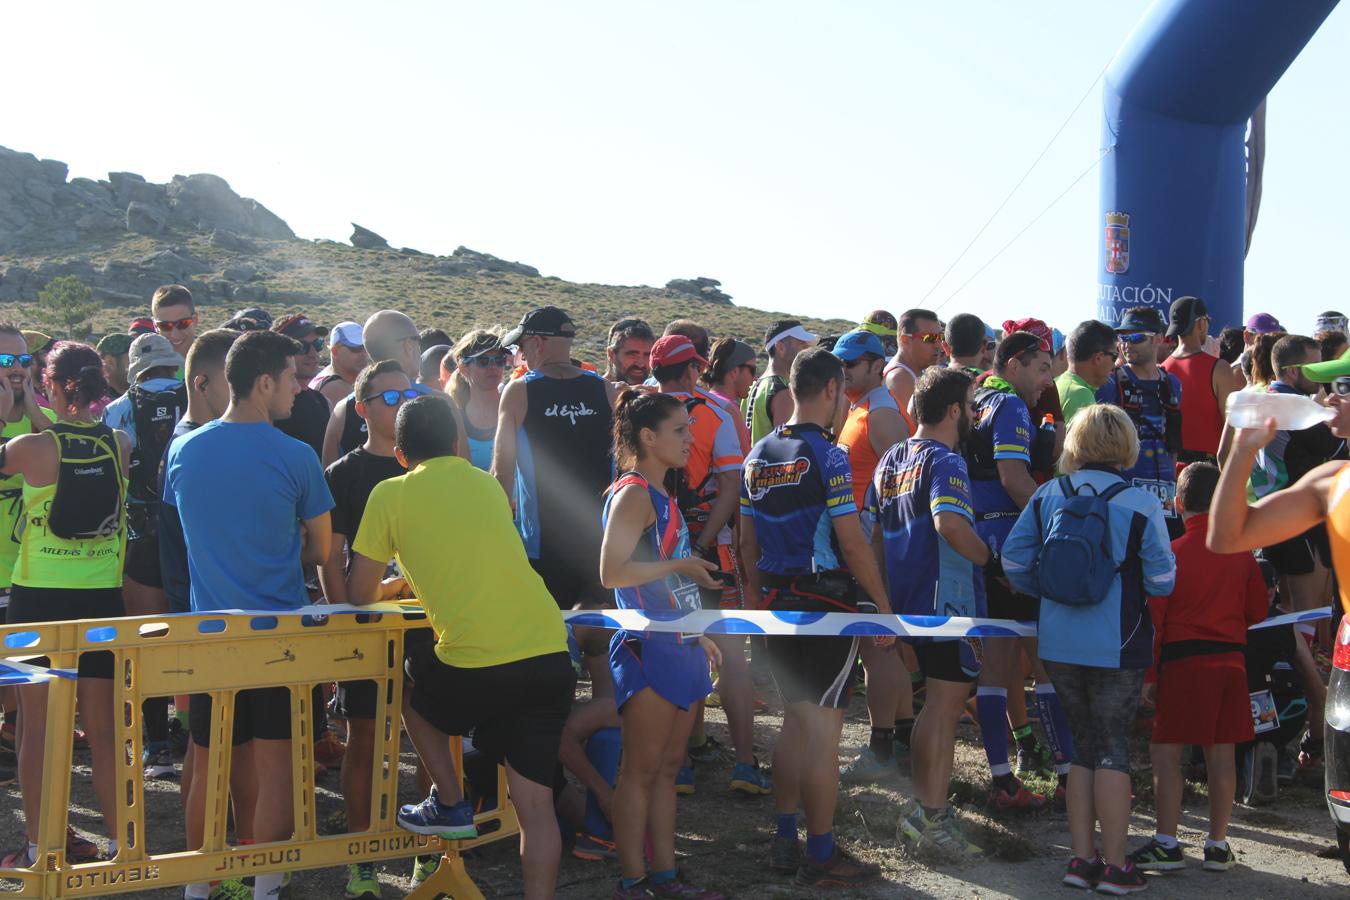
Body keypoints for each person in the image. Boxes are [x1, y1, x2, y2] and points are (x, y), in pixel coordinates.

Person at [345, 395, 572, 900]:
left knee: (409, 690)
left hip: (480, 663)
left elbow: (358, 594)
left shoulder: (390, 492)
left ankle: (450, 800)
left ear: (401, 455)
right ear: (456, 444)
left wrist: (396, 587)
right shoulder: (488, 486)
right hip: (549, 652)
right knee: (536, 812)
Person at [163, 330, 333, 900]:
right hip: (279, 636)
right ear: (264, 382)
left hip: (211, 635)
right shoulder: (297, 454)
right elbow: (321, 549)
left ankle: (197, 888)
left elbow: (185, 528)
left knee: (208, 766)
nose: (298, 387)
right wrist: (282, 549)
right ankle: (264, 888)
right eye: (291, 377)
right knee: (276, 767)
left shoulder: (183, 448)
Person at [1002, 403, 1176, 895]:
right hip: (1117, 641)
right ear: (1124, 444)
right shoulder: (1139, 503)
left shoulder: (1048, 494)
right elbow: (1162, 583)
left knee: (1080, 748)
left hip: (1058, 639)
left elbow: (1014, 561)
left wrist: (1051, 589)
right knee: (1114, 750)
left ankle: (1081, 861)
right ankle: (1118, 867)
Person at [739, 347, 893, 887]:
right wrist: (884, 607)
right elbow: (850, 541)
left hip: (777, 606)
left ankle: (786, 838)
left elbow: (747, 541)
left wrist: (757, 602)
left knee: (795, 721)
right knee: (824, 733)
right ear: (831, 390)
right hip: (826, 605)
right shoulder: (827, 455)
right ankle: (822, 853)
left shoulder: (756, 453)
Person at [0, 342, 131, 869]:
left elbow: (40, 440)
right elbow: (70, 432)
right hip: (101, 598)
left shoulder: (31, 449)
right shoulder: (118, 442)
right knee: (102, 729)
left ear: (52, 386)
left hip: (39, 599)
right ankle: (124, 844)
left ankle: (40, 846)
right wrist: (42, 400)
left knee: (38, 729)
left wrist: (19, 400)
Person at [600, 389, 726, 899]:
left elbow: (666, 582)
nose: (690, 439)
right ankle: (633, 880)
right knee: (641, 770)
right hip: (645, 645)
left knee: (669, 770)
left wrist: (698, 632)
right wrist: (679, 564)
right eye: (680, 430)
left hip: (679, 641)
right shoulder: (633, 493)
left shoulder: (663, 494)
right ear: (648, 438)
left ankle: (667, 877)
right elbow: (611, 571)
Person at [1130, 462, 1265, 875]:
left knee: (1166, 752)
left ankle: (1167, 843)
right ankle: (1219, 845)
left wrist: (1149, 676)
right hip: (1231, 664)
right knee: (1220, 755)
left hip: (1185, 662)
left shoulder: (1171, 553)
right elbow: (1258, 610)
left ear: (1177, 504)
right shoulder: (1240, 553)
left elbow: (1156, 619)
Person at [876, 367, 988, 859]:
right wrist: (994, 560)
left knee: (932, 709)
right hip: (948, 603)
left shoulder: (890, 459)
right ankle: (932, 816)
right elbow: (950, 525)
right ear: (951, 411)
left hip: (905, 600)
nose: (977, 414)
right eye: (971, 404)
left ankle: (925, 811)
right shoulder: (947, 460)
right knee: (943, 709)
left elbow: (874, 533)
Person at [316, 359, 418, 900]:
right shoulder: (345, 474)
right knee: (364, 744)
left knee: (433, 745)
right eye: (389, 397)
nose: (402, 404)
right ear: (362, 408)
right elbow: (329, 560)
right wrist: (344, 620)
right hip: (365, 627)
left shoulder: (427, 466)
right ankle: (362, 861)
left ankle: (431, 856)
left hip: (426, 629)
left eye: (409, 394)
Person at [650, 335, 768, 796]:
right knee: (730, 659)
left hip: (656, 554)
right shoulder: (718, 412)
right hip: (712, 551)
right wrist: (700, 541)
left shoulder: (635, 411)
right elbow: (731, 486)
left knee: (677, 653)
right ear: (695, 368)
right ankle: (744, 763)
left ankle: (679, 764)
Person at [965, 331, 1062, 812]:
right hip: (1010, 542)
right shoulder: (1007, 406)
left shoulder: (975, 395)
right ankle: (1065, 774)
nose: (1048, 382)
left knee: (998, 665)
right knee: (1044, 655)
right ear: (1016, 362)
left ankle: (1003, 781)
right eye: (1043, 368)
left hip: (977, 539)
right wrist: (1053, 528)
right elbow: (1013, 478)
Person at [101, 332, 187, 778]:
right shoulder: (196, 396)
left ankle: (156, 745)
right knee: (195, 634)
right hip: (190, 529)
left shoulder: (118, 409)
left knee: (148, 640)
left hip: (141, 533)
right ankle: (197, 733)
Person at [493, 306, 618, 610]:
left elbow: (501, 471)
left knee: (549, 633)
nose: (521, 354)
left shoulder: (519, 390)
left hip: (544, 544)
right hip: (601, 537)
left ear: (537, 343)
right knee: (602, 638)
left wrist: (494, 533)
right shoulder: (604, 389)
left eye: (521, 347)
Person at [834, 328, 916, 782]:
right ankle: (899, 741)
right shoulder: (860, 409)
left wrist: (882, 552)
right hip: (865, 543)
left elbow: (899, 488)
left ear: (873, 364)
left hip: (873, 546)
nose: (844, 373)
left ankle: (881, 747)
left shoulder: (882, 413)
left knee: (877, 648)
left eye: (851, 365)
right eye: (840, 366)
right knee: (885, 647)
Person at [0, 326, 54, 783]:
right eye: (5, 362)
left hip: (30, 570)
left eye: (23, 360)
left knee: (23, 677)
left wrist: (34, 409)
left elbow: (76, 458)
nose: (16, 369)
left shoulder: (44, 418)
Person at [323, 310, 467, 466]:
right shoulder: (441, 403)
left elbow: (329, 478)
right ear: (408, 345)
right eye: (418, 340)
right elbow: (463, 469)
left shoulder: (343, 409)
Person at [1097, 307, 1184, 536]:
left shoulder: (1172, 384)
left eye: (1136, 337)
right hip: (1122, 492)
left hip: (1165, 495)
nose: (1127, 344)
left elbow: (1173, 438)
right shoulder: (1110, 383)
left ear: (1157, 339)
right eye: (1123, 338)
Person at [1161, 296, 1239, 469]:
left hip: (1169, 468)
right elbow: (1232, 426)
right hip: (1207, 470)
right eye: (1207, 321)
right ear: (1200, 324)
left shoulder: (1161, 370)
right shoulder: (1219, 368)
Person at [743, 320, 816, 445]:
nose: (807, 351)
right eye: (802, 344)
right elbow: (786, 446)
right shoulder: (783, 392)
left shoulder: (752, 387)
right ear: (780, 347)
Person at [445, 329, 507, 472]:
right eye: (483, 361)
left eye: (500, 360)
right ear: (463, 368)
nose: (493, 367)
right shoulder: (452, 419)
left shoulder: (517, 410)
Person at [271, 314, 331, 458]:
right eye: (301, 347)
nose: (313, 353)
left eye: (317, 344)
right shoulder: (271, 404)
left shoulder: (322, 401)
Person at [1056, 320, 1118, 426]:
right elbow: (1086, 443)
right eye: (1115, 356)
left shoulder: (1058, 382)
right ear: (1098, 358)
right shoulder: (1080, 394)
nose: (1114, 366)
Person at [883, 308, 943, 416]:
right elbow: (912, 428)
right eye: (929, 338)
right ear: (905, 340)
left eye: (940, 337)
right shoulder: (899, 377)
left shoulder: (912, 372)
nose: (938, 344)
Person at [699, 338, 756, 451]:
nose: (755, 378)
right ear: (734, 371)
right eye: (752, 370)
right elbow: (745, 462)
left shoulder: (705, 400)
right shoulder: (728, 409)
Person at [310, 321, 368, 407]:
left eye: (366, 347)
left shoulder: (325, 377)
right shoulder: (336, 388)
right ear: (335, 351)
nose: (364, 354)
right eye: (356, 349)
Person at [151, 284, 198, 364]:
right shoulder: (148, 367)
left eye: (182, 324)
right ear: (155, 326)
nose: (174, 334)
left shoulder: (215, 361)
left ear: (195, 320)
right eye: (165, 326)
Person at [604, 318, 656, 386]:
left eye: (647, 355)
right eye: (632, 355)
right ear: (611, 354)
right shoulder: (592, 392)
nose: (640, 364)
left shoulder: (656, 393)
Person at [96, 332, 133, 398]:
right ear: (110, 362)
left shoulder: (142, 398)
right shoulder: (96, 403)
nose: (139, 363)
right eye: (133, 358)